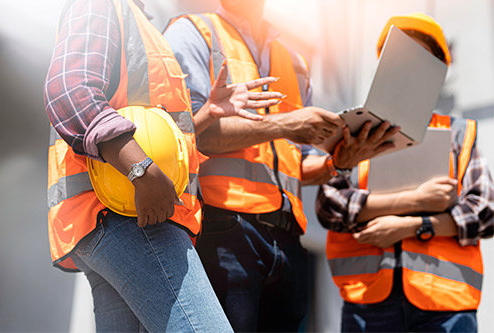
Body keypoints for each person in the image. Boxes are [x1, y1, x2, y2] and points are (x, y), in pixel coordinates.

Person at [43, 0, 285, 331]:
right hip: (128, 212)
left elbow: (155, 131)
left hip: (120, 212)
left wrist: (206, 114)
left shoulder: (137, 19)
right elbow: (69, 93)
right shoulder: (99, 4)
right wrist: (140, 170)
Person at [164, 1, 399, 331]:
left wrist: (338, 163)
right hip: (223, 231)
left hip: (287, 241)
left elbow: (297, 164)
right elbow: (190, 134)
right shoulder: (192, 34)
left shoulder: (295, 62)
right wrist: (285, 125)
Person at [316, 13, 494, 333]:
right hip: (368, 304)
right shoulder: (357, 132)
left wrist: (409, 226)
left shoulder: (457, 134)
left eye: (424, 56)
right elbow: (329, 205)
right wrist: (416, 200)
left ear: (440, 71)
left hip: (446, 307)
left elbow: (485, 212)